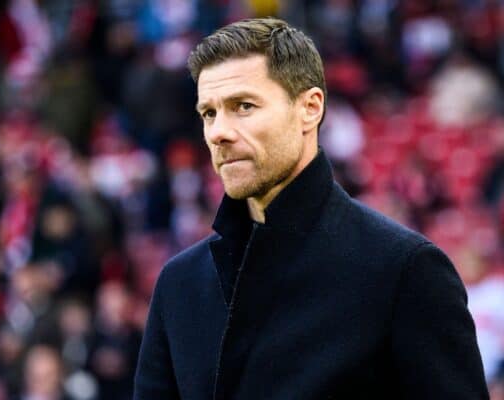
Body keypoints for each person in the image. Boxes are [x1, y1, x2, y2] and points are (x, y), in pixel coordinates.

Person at [133, 17, 489, 399]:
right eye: (209, 113)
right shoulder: (180, 284)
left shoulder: (405, 270)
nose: (219, 131)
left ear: (310, 107)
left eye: (244, 106)